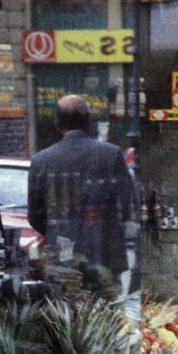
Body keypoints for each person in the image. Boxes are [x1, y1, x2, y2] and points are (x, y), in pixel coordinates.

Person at [27, 95, 135, 278]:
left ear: (57, 124)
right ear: (88, 122)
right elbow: (127, 203)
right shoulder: (111, 154)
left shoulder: (41, 160)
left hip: (62, 251)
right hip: (104, 249)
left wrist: (57, 230)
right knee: (106, 302)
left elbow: (35, 214)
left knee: (64, 301)